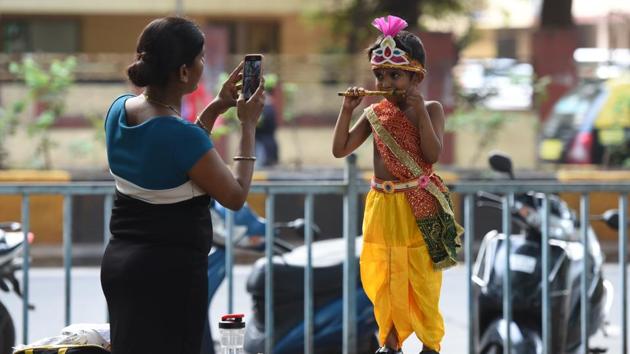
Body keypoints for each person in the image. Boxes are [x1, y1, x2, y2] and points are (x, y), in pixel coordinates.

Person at [100, 16, 265, 354]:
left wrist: (218, 105)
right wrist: (248, 126)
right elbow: (234, 196)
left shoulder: (118, 110)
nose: (205, 64)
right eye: (201, 58)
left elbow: (175, 153)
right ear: (184, 72)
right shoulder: (180, 135)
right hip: (168, 277)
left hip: (120, 267)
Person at [331, 15, 463, 354]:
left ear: (416, 76)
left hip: (418, 203)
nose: (386, 81)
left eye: (395, 74)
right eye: (380, 74)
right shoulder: (374, 112)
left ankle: (430, 344)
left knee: (421, 276)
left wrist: (418, 113)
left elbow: (432, 154)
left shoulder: (430, 109)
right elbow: (340, 149)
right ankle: (391, 342)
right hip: (381, 204)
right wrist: (348, 109)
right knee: (385, 272)